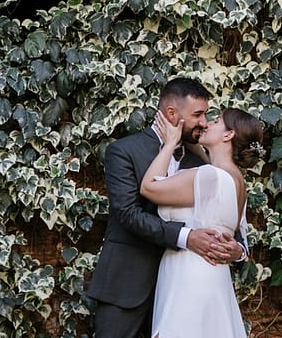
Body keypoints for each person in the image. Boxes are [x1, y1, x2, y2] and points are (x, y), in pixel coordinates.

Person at [87, 78, 246, 338]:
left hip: (183, 287)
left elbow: (222, 212)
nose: (204, 122)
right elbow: (128, 213)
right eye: (197, 114)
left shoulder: (203, 161)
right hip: (127, 281)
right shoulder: (124, 151)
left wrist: (238, 249)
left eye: (206, 115)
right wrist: (186, 237)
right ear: (172, 113)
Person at [141, 105, 264, 338]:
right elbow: (237, 233)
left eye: (216, 121)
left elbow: (149, 188)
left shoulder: (209, 176)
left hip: (188, 273)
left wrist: (169, 144)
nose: (207, 123)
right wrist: (239, 251)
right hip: (214, 275)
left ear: (228, 135)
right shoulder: (237, 182)